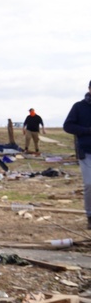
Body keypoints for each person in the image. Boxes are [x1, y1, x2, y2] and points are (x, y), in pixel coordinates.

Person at [63, 82, 91, 230]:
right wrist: (87, 130)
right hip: (86, 151)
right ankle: (90, 216)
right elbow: (67, 126)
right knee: (89, 184)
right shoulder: (79, 107)